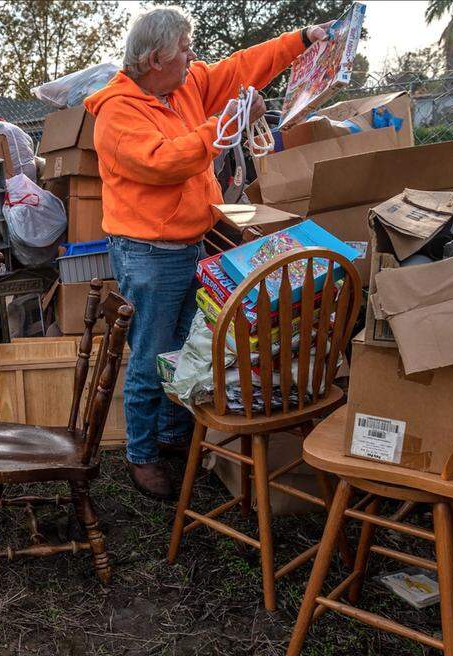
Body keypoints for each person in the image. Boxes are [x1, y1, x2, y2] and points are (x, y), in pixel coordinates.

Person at [84, 7, 332, 500]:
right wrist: (230, 120)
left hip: (188, 241)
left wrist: (301, 38)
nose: (192, 58)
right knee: (152, 354)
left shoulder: (183, 84)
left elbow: (240, 67)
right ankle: (142, 453)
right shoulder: (117, 114)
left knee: (191, 345)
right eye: (184, 49)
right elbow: (165, 163)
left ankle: (175, 436)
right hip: (148, 253)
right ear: (155, 58)